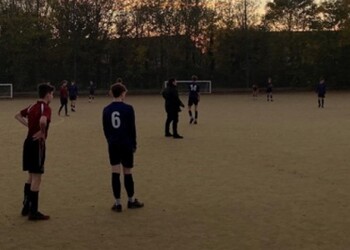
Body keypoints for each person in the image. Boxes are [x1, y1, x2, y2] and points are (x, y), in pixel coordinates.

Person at [14, 83, 54, 220]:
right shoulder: (46, 108)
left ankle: (26, 206)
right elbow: (43, 121)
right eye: (52, 94)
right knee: (37, 177)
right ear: (48, 94)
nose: (53, 96)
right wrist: (42, 132)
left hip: (28, 142)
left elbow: (17, 115)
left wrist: (29, 126)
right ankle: (34, 212)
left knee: (31, 176)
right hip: (38, 145)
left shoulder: (32, 106)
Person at [102, 82, 144, 212]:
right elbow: (132, 129)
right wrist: (134, 144)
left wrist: (110, 141)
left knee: (115, 172)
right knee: (127, 172)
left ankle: (117, 203)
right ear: (122, 93)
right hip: (126, 144)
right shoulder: (128, 108)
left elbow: (106, 129)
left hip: (113, 144)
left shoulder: (106, 109)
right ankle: (131, 200)